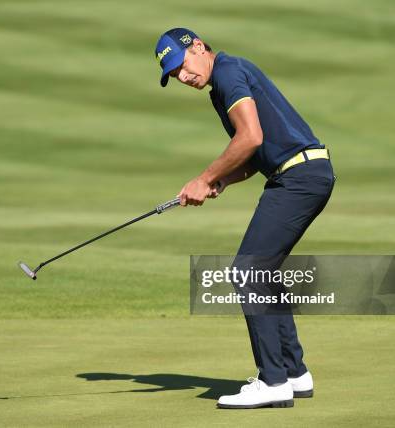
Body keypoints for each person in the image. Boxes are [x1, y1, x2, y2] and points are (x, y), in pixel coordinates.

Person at [154, 28, 336, 409]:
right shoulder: (222, 85)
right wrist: (221, 179)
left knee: (248, 271)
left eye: (182, 66)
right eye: (173, 75)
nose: (183, 77)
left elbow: (249, 137)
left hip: (298, 177)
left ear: (199, 47)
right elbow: (253, 157)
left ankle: (273, 381)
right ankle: (294, 373)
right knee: (262, 272)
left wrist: (204, 177)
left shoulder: (226, 73)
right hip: (302, 174)